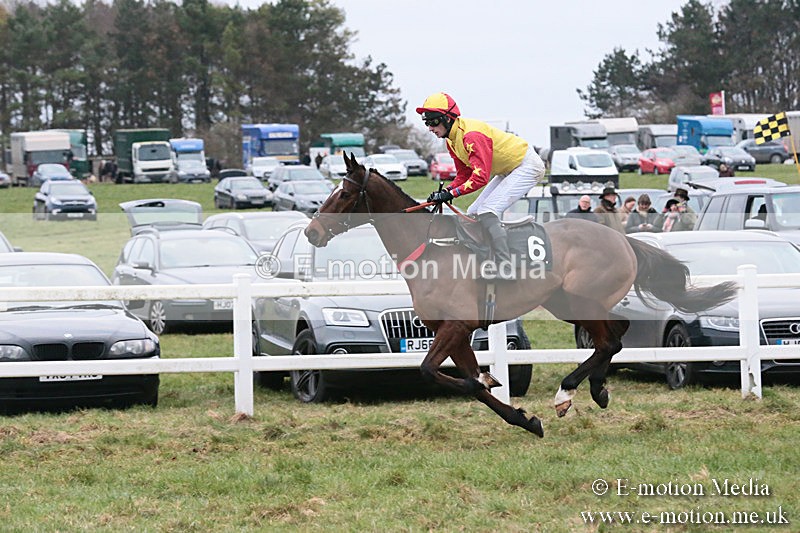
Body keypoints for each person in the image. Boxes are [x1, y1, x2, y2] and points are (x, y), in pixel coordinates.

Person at [418, 92, 545, 280]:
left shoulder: (471, 136)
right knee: (473, 210)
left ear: (447, 118)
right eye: (426, 123)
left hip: (526, 165)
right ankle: (486, 260)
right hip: (508, 169)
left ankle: (505, 267)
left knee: (488, 210)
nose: (430, 128)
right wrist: (446, 191)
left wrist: (452, 193)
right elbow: (464, 175)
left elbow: (480, 178)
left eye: (433, 122)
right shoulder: (452, 141)